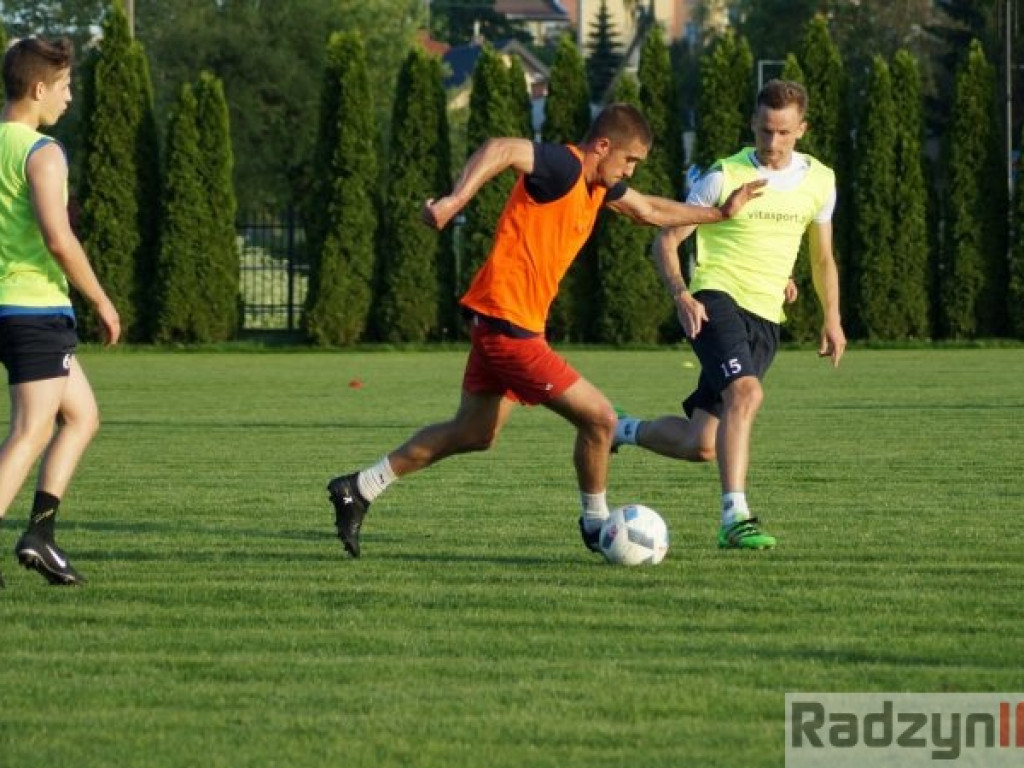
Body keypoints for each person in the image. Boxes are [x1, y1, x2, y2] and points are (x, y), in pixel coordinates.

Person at [327, 103, 764, 558]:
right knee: (600, 419)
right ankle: (596, 526)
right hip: (508, 329)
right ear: (603, 146)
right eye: (630, 160)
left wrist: (720, 214)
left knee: (476, 432)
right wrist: (455, 200)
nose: (630, 171)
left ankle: (359, 487)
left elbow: (649, 210)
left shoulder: (600, 188)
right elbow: (501, 148)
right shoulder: (563, 167)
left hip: (505, 324)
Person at [613, 79, 846, 551]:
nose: (772, 143)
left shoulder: (821, 181)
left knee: (702, 444)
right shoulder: (723, 176)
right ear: (753, 125)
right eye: (764, 131)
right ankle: (734, 517)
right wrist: (681, 294)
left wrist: (831, 317)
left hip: (765, 319)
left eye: (783, 132)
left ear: (802, 129)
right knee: (747, 392)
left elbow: (822, 258)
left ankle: (616, 427)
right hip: (716, 300)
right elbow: (666, 238)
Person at [0, 37, 121, 586]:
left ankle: (41, 535)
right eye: (67, 86)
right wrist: (100, 299)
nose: (70, 98)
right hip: (35, 310)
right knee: (30, 431)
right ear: (38, 87)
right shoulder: (40, 152)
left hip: (11, 311)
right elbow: (58, 239)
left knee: (82, 416)